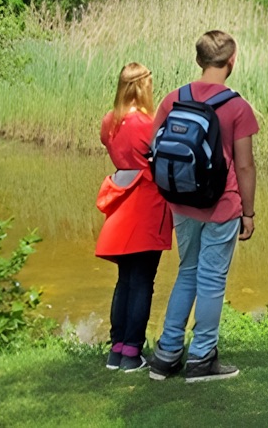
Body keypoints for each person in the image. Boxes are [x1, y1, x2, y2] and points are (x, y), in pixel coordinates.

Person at [147, 30, 259, 383]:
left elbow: (155, 149)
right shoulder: (237, 107)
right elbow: (244, 165)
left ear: (198, 61)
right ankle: (201, 359)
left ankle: (165, 356)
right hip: (221, 206)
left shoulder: (173, 99)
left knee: (187, 272)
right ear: (232, 61)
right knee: (211, 279)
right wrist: (249, 213)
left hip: (181, 201)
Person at [96, 62, 171, 373]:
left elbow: (113, 147)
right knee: (143, 281)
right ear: (144, 87)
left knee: (125, 280)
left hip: (120, 203)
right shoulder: (148, 123)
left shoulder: (110, 121)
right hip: (146, 205)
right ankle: (132, 353)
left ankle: (117, 350)